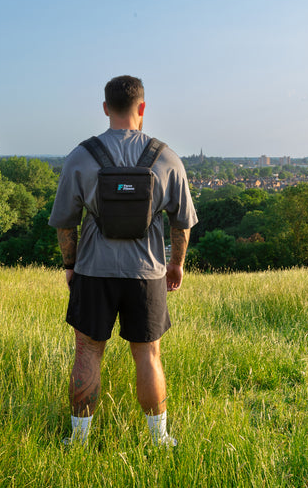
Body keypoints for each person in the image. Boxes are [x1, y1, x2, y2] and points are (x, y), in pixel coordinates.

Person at [49, 75, 197, 446]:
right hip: (147, 273)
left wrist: (70, 266)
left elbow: (65, 223)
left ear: (104, 108)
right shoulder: (166, 157)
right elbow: (182, 223)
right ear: (142, 108)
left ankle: (78, 441)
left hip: (93, 272)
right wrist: (175, 264)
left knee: (87, 351)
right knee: (148, 355)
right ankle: (159, 439)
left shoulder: (81, 157)